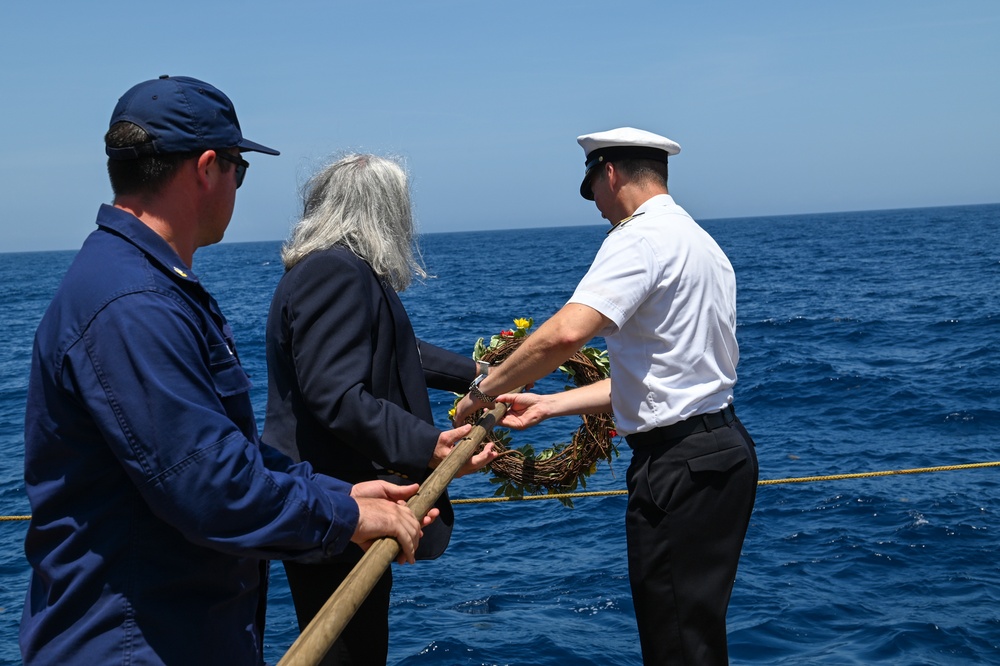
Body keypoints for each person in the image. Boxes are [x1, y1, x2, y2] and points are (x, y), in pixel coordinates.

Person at [20, 76, 435, 666]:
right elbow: (209, 486)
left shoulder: (144, 287)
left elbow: (222, 452)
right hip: (137, 644)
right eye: (240, 169)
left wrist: (335, 490)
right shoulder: (132, 305)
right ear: (207, 167)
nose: (239, 185)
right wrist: (345, 514)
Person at [453, 127, 759, 665]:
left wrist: (485, 390)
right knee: (697, 637)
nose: (595, 202)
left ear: (609, 173)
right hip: (724, 454)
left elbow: (566, 334)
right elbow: (665, 378)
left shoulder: (638, 238)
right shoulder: (704, 245)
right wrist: (550, 404)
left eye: (591, 185)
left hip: (677, 470)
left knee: (675, 647)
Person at [262, 153, 497, 665]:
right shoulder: (334, 273)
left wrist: (478, 376)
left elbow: (395, 351)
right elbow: (337, 394)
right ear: (382, 212)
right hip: (335, 501)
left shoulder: (331, 270)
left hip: (334, 504)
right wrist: (429, 444)